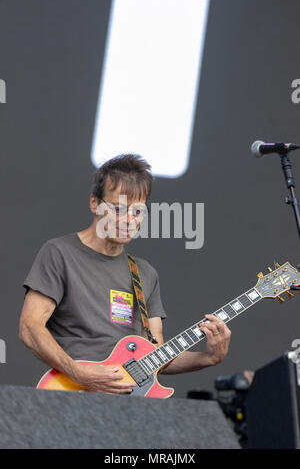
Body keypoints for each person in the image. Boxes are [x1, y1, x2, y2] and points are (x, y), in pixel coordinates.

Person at [19, 154, 231, 395]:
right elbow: (29, 326)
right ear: (94, 203)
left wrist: (208, 357)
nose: (129, 220)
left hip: (127, 409)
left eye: (138, 212)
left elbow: (155, 359)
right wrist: (79, 373)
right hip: (71, 394)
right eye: (118, 209)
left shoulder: (144, 274)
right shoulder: (58, 253)